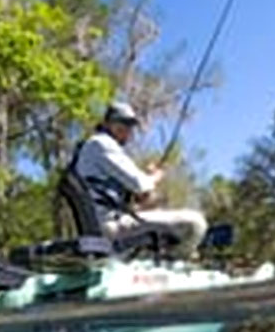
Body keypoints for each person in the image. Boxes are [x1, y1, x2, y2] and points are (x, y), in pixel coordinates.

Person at [71, 101, 208, 258]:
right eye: (121, 123)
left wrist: (141, 194)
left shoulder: (93, 148)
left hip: (106, 224)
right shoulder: (102, 144)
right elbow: (141, 184)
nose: (127, 130)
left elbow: (134, 195)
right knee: (196, 224)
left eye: (130, 125)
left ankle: (164, 261)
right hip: (111, 227)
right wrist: (155, 177)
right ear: (107, 124)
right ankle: (174, 264)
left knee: (163, 217)